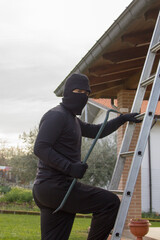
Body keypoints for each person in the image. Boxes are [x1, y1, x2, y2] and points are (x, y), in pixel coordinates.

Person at [33, 73, 141, 240]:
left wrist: (122, 119)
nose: (83, 96)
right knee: (109, 203)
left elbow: (94, 131)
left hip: (52, 190)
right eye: (78, 91)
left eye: (87, 93)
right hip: (55, 186)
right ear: (68, 92)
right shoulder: (56, 115)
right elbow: (40, 147)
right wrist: (69, 167)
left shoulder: (72, 119)